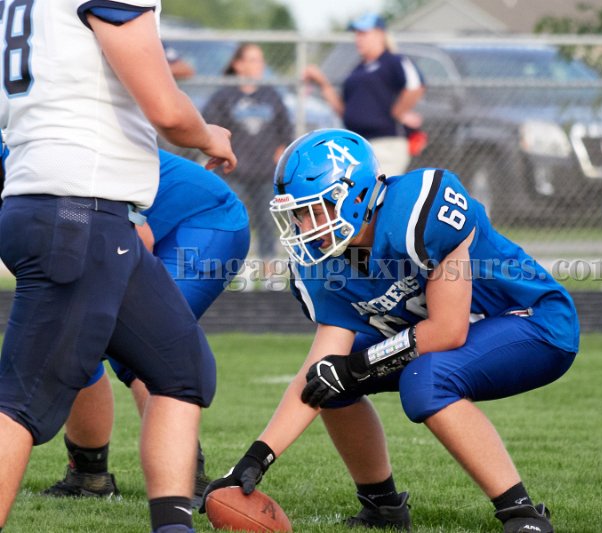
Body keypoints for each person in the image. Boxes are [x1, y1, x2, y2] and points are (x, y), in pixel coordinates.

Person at [200, 128, 580, 532]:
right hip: (458, 331)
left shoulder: (417, 211)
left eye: (315, 210)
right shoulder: (322, 263)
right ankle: (382, 508)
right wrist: (255, 459)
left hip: (534, 321)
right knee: (327, 379)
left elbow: (448, 330)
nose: (304, 225)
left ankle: (522, 515)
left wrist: (358, 367)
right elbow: (321, 369)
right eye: (297, 214)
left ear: (356, 196)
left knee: (425, 380)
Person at [0, 3, 236, 532]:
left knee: (183, 371)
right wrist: (207, 135)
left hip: (73, 210)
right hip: (77, 210)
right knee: (22, 403)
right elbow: (166, 110)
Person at [41, 150, 251, 507]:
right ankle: (88, 475)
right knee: (70, 337)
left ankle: (186, 475)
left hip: (205, 220)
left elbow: (138, 236)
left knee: (142, 340)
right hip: (150, 221)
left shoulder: (49, 159)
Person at [202, 42, 293, 277]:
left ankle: (268, 271)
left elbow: (286, 129)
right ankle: (229, 268)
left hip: (265, 172)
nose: (258, 65)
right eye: (252, 60)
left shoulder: (271, 95)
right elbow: (210, 128)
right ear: (238, 65)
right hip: (234, 171)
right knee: (233, 220)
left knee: (267, 222)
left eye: (260, 60)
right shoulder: (224, 96)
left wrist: (281, 150)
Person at [303, 13, 425, 177]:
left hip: (385, 143)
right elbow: (344, 110)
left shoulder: (393, 61)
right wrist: (323, 83)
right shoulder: (358, 69)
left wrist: (399, 112)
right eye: (357, 34)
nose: (358, 39)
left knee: (376, 189)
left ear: (380, 34)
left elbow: (415, 85)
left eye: (364, 33)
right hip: (358, 146)